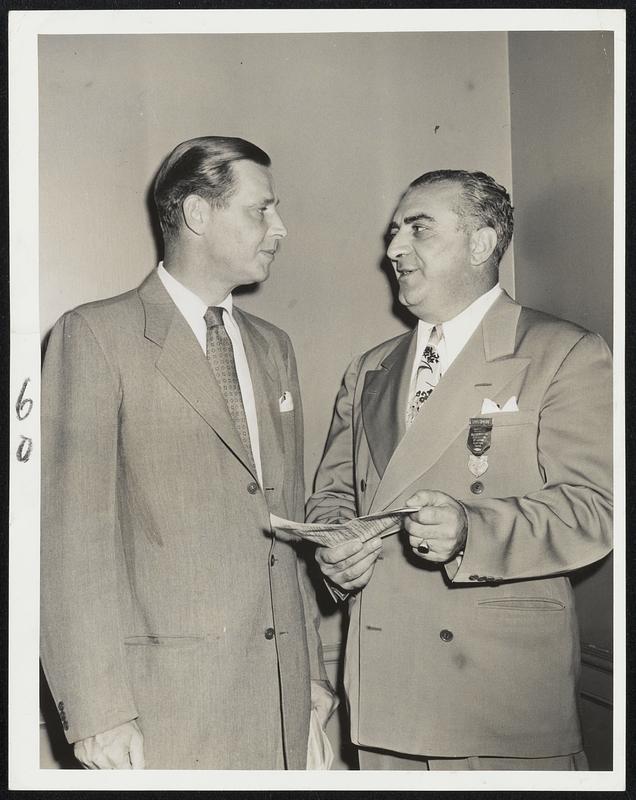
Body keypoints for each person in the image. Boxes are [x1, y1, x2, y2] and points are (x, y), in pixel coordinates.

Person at [40, 136, 335, 770]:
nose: (279, 229)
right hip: (161, 708)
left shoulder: (273, 347)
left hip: (285, 703)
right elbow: (70, 539)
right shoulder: (95, 335)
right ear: (198, 214)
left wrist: (310, 675)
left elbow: (286, 525)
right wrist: (96, 712)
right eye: (262, 209)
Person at [306, 169, 612, 770]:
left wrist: (472, 529)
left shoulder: (563, 351)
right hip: (382, 691)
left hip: (497, 700)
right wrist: (334, 545)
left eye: (418, 228)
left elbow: (596, 508)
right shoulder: (368, 369)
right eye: (395, 232)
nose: (393, 249)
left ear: (481, 243)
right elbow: (334, 493)